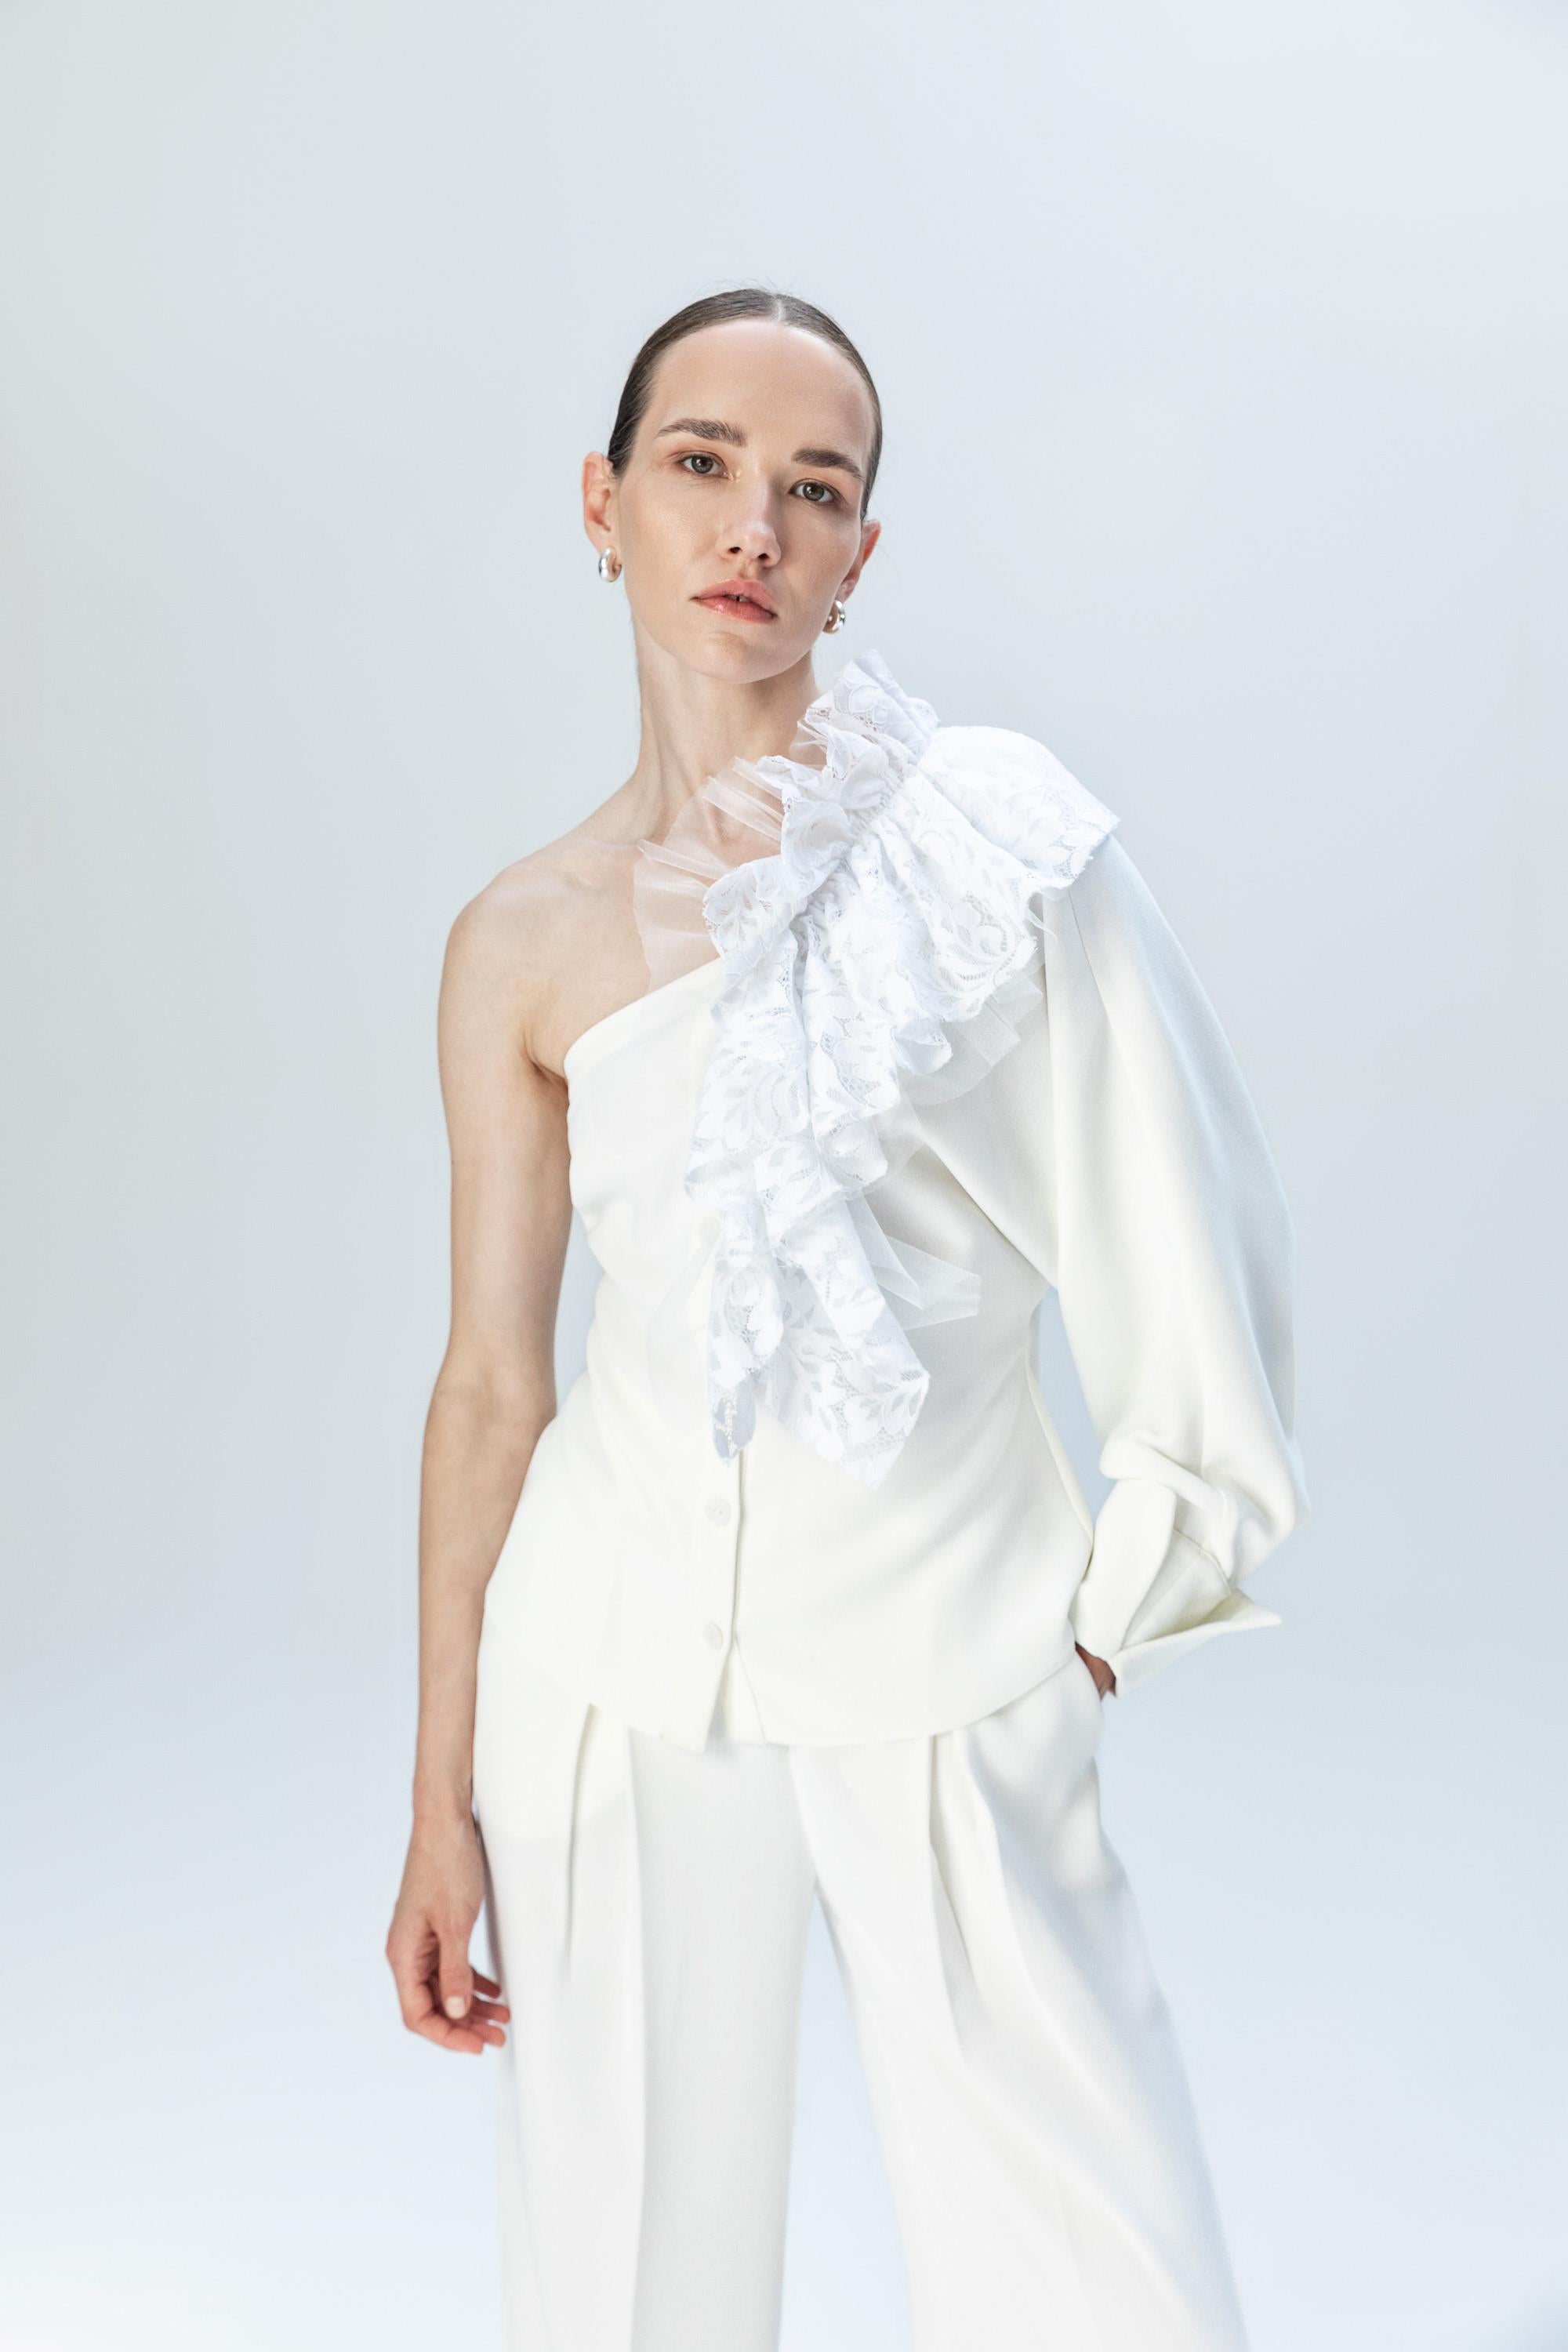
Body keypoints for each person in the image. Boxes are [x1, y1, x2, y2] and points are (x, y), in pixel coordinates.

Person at [385, 286, 1309, 2352]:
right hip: (603, 1673)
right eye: (703, 463)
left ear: (861, 551)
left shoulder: (991, 842)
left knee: (1099, 2267)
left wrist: (1119, 1598)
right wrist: (440, 1800)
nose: (755, 525)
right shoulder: (517, 939)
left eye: (815, 489)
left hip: (950, 1645)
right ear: (603, 502)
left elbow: (1187, 1221)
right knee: (620, 2288)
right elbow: (492, 1384)